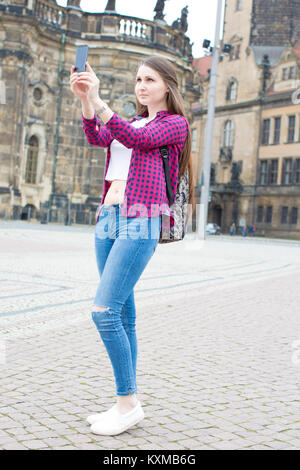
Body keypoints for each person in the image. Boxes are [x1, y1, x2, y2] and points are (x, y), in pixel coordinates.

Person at [70, 56, 195, 436]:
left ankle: (128, 404)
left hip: (141, 216)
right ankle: (127, 401)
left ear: (167, 87)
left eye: (150, 80)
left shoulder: (173, 124)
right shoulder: (132, 119)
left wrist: (100, 99)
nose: (141, 86)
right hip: (109, 217)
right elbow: (98, 135)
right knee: (123, 315)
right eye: (138, 79)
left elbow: (137, 139)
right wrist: (85, 98)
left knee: (103, 311)